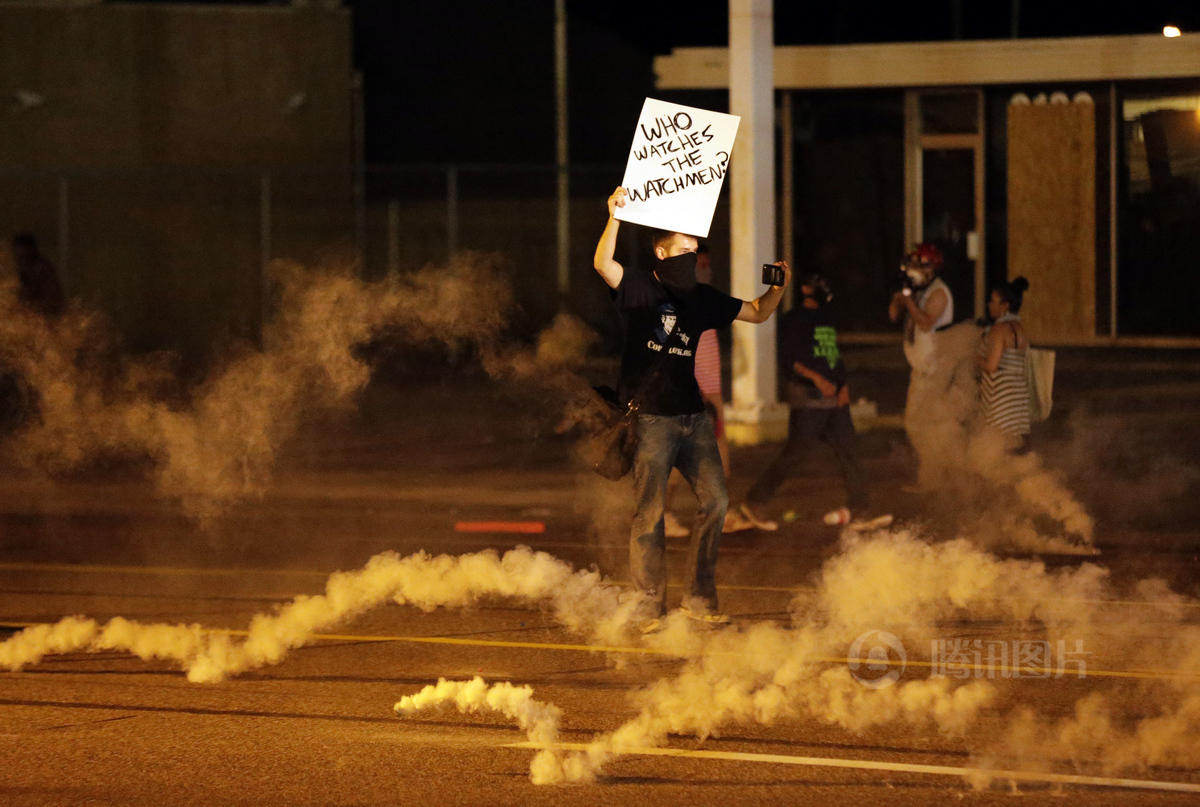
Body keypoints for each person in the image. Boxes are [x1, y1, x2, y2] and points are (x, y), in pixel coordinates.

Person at [593, 186, 790, 628]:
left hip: (692, 418)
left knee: (717, 502)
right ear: (661, 252)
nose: (694, 254)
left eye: (697, 248)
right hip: (650, 420)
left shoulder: (701, 298)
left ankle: (699, 601)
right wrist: (615, 216)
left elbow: (758, 312)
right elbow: (603, 265)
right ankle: (648, 608)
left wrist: (777, 288)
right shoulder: (641, 287)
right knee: (650, 513)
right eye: (685, 248)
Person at [740, 272, 872, 528]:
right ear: (805, 289)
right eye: (817, 285)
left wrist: (843, 385)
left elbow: (833, 355)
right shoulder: (795, 319)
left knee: (850, 451)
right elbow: (791, 359)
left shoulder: (826, 318)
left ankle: (860, 509)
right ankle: (755, 502)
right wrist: (817, 380)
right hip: (809, 400)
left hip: (834, 401)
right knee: (795, 454)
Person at [663, 244, 755, 538]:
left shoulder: (704, 303)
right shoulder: (678, 306)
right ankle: (660, 515)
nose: (706, 268)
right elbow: (676, 353)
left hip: (710, 393)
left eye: (707, 263)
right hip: (695, 394)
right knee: (681, 462)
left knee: (718, 459)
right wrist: (698, 393)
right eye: (699, 263)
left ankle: (722, 515)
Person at [888, 243, 954, 489]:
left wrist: (909, 302)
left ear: (930, 268)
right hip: (922, 369)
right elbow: (893, 316)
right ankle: (933, 479)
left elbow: (926, 322)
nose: (912, 269)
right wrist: (900, 298)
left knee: (925, 426)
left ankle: (935, 480)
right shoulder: (916, 291)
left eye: (918, 264)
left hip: (936, 370)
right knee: (919, 425)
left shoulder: (939, 293)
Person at [976, 277, 1032, 451]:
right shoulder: (1020, 328)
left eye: (993, 301)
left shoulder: (998, 330)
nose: (989, 304)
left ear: (1005, 305)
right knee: (1016, 446)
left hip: (999, 397)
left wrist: (975, 358)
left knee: (997, 449)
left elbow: (992, 366)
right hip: (1019, 396)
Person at [9, 232, 64, 317]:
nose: (22, 260)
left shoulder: (43, 269)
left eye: (25, 256)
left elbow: (52, 299)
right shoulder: (14, 269)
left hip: (41, 317)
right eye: (19, 257)